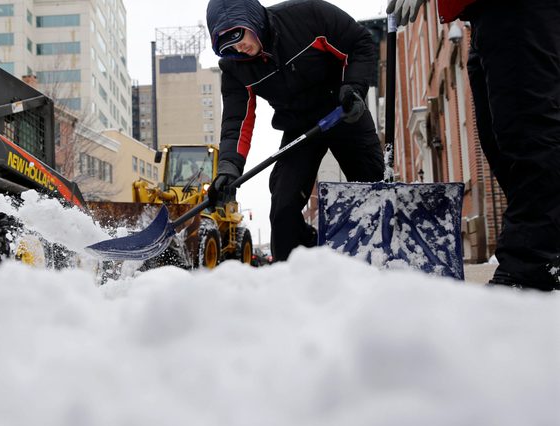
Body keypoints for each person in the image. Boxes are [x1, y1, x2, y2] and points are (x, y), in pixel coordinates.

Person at [387, 0, 560, 291]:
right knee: (501, 141)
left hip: (519, 9)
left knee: (530, 130)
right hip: (482, 15)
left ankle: (532, 265)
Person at [205, 0, 385, 262]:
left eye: (237, 34)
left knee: (372, 187)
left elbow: (359, 42)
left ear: (253, 19)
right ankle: (303, 267)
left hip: (343, 110)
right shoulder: (235, 69)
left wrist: (354, 88)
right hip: (299, 127)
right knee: (283, 209)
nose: (238, 47)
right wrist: (228, 169)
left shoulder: (307, 16)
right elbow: (237, 120)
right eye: (227, 45)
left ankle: (383, 260)